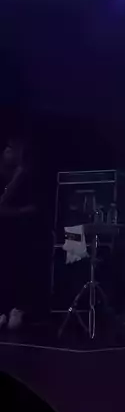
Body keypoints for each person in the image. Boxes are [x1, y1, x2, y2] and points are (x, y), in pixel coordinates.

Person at [0, 137, 37, 331]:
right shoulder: (7, 176)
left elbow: (34, 208)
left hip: (20, 233)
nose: (11, 153)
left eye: (15, 150)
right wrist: (16, 179)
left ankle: (17, 310)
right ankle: (3, 311)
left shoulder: (27, 176)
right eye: (8, 149)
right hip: (4, 230)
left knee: (19, 270)